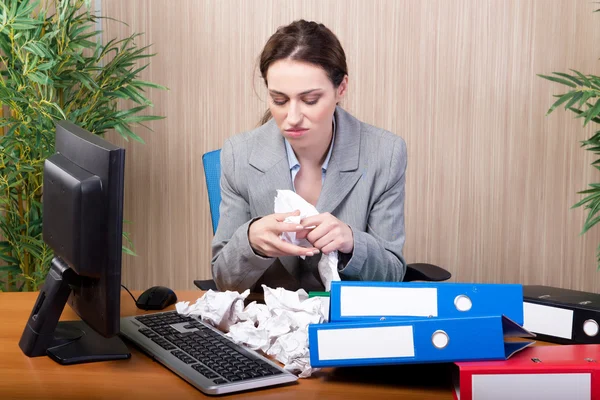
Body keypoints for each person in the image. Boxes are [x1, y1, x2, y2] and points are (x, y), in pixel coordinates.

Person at [211, 20, 407, 292]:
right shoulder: (239, 155)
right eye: (279, 100)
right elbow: (224, 279)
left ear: (341, 88)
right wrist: (250, 242)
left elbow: (392, 274)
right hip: (266, 322)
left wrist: (351, 243)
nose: (292, 118)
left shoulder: (384, 154)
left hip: (344, 324)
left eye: (311, 100)